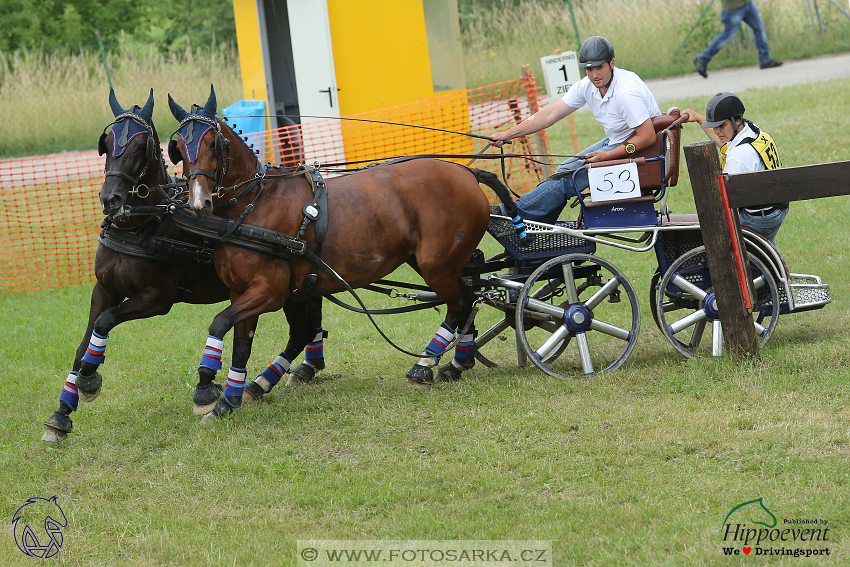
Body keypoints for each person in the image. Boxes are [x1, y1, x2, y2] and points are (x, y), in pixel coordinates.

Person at [490, 36, 661, 225]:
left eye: (599, 68)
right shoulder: (587, 86)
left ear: (612, 63)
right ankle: (537, 228)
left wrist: (609, 155)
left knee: (567, 178)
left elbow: (647, 137)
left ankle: (510, 214)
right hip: (616, 142)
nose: (594, 74)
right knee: (564, 170)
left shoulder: (626, 92)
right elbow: (548, 116)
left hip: (643, 153)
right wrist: (507, 134)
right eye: (589, 69)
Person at [681, 92, 787, 245]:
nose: (717, 131)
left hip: (759, 218)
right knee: (766, 250)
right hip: (776, 206)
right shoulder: (751, 130)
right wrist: (698, 118)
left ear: (736, 121)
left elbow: (726, 200)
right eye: (714, 127)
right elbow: (725, 142)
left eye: (721, 125)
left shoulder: (739, 156)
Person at [693, 0, 782, 78]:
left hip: (748, 4)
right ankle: (702, 59)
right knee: (726, 37)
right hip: (732, 8)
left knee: (759, 28)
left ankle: (765, 59)